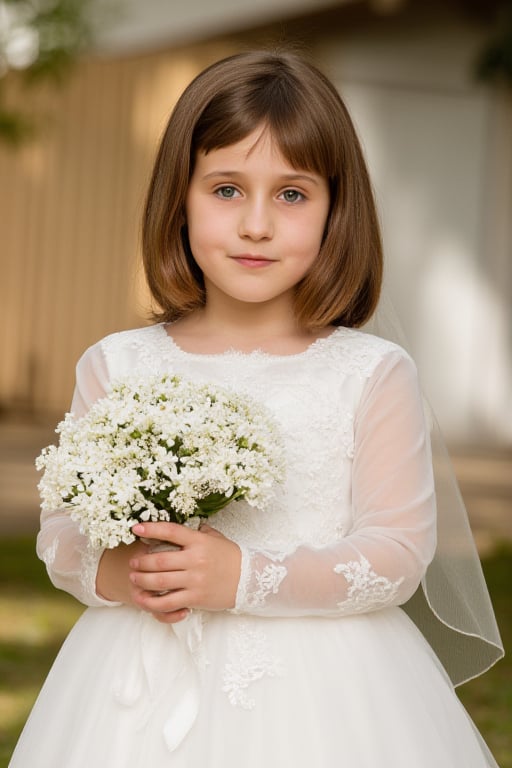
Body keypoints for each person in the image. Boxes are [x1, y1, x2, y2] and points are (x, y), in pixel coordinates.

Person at [10, 50, 503, 767]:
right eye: (228, 190)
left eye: (293, 195)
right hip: (138, 674)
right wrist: (129, 575)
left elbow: (396, 555)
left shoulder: (370, 374)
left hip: (327, 689)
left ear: (337, 211)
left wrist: (243, 577)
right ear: (180, 198)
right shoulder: (117, 365)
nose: (257, 225)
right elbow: (62, 537)